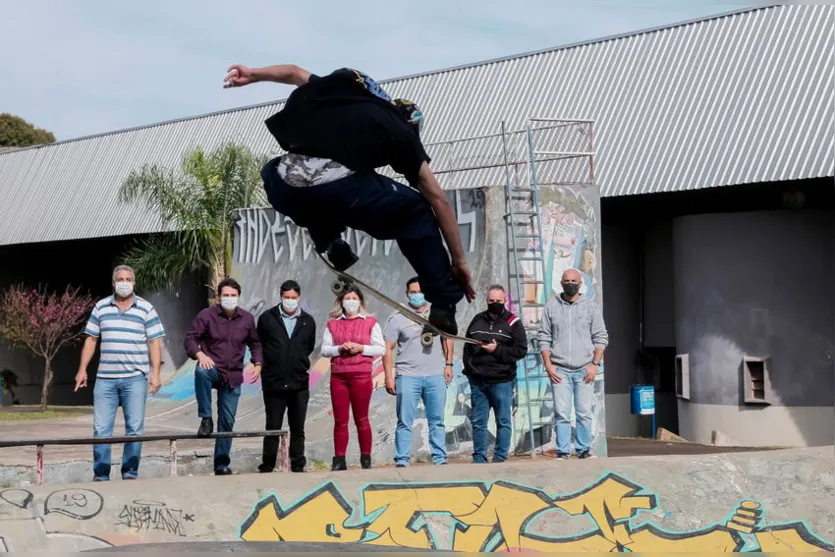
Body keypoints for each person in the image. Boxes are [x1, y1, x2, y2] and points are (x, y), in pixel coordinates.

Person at [222, 63, 476, 336]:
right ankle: (443, 303)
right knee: (417, 211)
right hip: (339, 190)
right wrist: (459, 261)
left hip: (282, 184)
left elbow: (293, 72)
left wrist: (253, 75)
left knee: (318, 186)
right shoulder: (399, 129)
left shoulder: (345, 89)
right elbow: (439, 200)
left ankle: (331, 240)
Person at [74, 265, 165, 481]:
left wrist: (156, 374)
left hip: (135, 378)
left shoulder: (146, 308)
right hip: (105, 380)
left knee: (134, 430)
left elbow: (154, 342)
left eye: (128, 279)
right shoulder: (101, 307)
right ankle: (101, 475)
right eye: (120, 279)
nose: (124, 282)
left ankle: (130, 473)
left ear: (134, 282)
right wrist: (82, 370)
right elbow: (91, 339)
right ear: (113, 283)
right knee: (101, 430)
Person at [184, 278, 263, 475]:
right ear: (219, 297)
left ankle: (221, 464)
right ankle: (206, 418)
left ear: (238, 297)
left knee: (227, 421)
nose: (229, 298)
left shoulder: (246, 319)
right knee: (201, 371)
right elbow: (191, 338)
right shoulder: (207, 315)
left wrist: (258, 363)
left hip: (233, 374)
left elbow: (255, 342)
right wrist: (200, 354)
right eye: (225, 295)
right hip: (213, 367)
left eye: (233, 295)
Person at [537, 268, 609, 459]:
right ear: (561, 283)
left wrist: (594, 364)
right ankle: (562, 452)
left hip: (584, 368)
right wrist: (548, 365)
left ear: (580, 284)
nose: (570, 284)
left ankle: (583, 449)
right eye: (566, 280)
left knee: (584, 412)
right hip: (559, 369)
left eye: (574, 281)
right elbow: (543, 337)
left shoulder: (590, 307)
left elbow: (601, 337)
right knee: (561, 413)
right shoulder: (551, 307)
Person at [383, 277, 453, 468]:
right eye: (413, 292)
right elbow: (387, 348)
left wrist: (448, 364)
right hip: (407, 376)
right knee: (404, 421)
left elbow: (448, 338)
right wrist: (389, 376)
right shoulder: (397, 318)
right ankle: (402, 460)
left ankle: (440, 458)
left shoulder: (438, 314)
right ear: (407, 294)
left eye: (420, 291)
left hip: (434, 376)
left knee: (437, 420)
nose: (417, 295)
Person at [320, 285, 385, 470]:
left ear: (360, 302)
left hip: (361, 375)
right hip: (339, 376)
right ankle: (339, 459)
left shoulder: (370, 323)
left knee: (361, 418)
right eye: (347, 298)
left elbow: (380, 348)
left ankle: (366, 458)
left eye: (354, 298)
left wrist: (361, 348)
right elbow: (325, 350)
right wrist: (339, 349)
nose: (350, 302)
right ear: (341, 301)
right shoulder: (332, 323)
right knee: (340, 420)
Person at [256, 280, 317, 473]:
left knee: (297, 427)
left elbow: (308, 347)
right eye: (286, 297)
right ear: (281, 296)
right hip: (274, 382)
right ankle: (268, 465)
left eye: (293, 298)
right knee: (273, 426)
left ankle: (298, 464)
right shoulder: (267, 318)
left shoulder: (308, 321)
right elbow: (261, 344)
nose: (290, 301)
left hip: (299, 383)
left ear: (299, 298)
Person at [462, 285, 527, 464]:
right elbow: (467, 347)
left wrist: (497, 350)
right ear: (487, 301)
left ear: (504, 301)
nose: (495, 304)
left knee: (503, 420)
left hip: (502, 380)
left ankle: (499, 458)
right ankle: (479, 457)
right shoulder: (477, 320)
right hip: (478, 381)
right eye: (492, 301)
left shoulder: (513, 322)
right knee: (479, 422)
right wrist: (469, 371)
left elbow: (520, 350)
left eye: (498, 301)